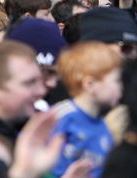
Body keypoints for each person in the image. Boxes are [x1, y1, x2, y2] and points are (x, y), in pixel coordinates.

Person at [50, 41, 122, 178]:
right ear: (89, 84)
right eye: (117, 81)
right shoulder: (60, 117)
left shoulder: (105, 127)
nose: (121, 88)